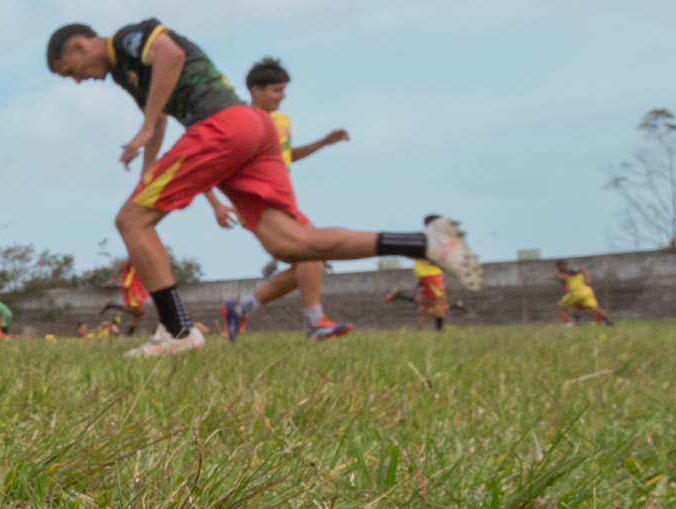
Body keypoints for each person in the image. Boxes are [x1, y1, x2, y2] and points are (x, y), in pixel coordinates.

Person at [47, 20, 479, 358]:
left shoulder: (126, 38)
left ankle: (178, 330)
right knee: (290, 242)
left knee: (129, 222)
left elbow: (170, 53)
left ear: (80, 46)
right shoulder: (129, 76)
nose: (79, 81)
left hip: (224, 126)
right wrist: (145, 166)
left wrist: (144, 128)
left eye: (72, 72)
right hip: (255, 131)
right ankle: (424, 243)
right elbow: (157, 123)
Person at [221, 57, 354, 342]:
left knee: (309, 266)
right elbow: (215, 161)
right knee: (313, 251)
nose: (283, 96)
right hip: (257, 201)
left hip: (282, 198)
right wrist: (216, 203)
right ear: (255, 90)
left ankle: (240, 308)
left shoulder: (281, 121)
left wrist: (321, 143)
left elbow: (284, 155)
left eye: (284, 90)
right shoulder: (240, 119)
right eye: (276, 90)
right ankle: (315, 321)